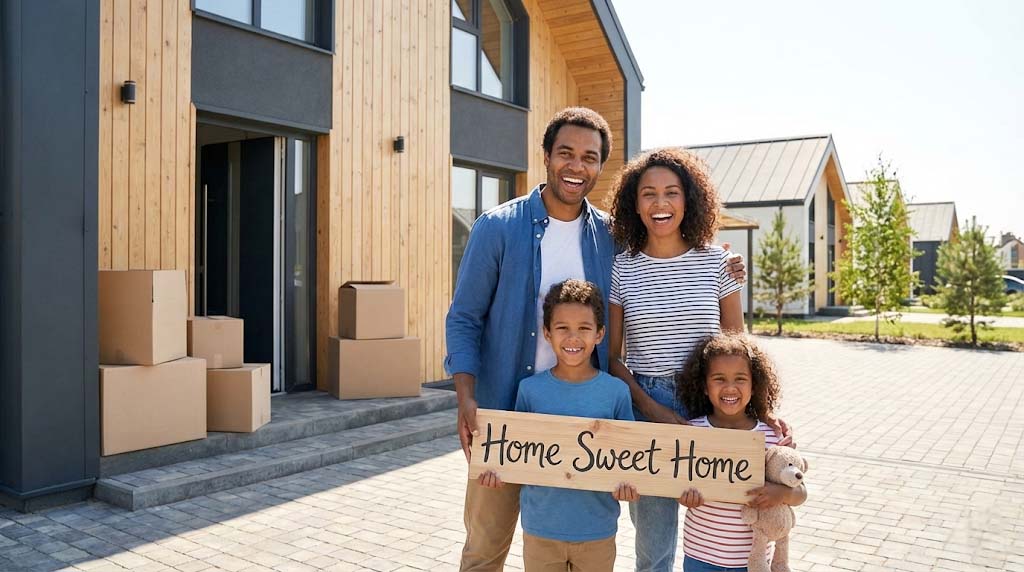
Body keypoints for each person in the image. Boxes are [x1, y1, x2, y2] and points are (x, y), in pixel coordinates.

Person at [446, 108, 744, 571]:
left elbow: (667, 263)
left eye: (589, 157)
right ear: (546, 156)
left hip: (592, 423)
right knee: (486, 549)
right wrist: (466, 396)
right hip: (508, 416)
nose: (576, 166)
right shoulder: (497, 228)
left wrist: (724, 262)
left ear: (600, 167)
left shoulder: (610, 236)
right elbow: (463, 318)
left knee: (578, 543)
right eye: (565, 153)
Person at [605, 147, 788, 572]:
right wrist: (651, 409)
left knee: (726, 533)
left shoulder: (718, 263)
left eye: (671, 192)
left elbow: (739, 349)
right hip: (647, 404)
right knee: (654, 548)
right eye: (648, 193)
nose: (660, 203)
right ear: (634, 203)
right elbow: (612, 358)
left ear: (689, 199)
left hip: (714, 408)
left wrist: (763, 412)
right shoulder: (622, 269)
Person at [477, 279, 639, 572]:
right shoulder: (529, 390)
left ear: (600, 334)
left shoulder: (616, 392)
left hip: (597, 529)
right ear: (547, 334)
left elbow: (630, 460)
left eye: (584, 328)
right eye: (563, 328)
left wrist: (629, 485)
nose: (573, 338)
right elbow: (515, 455)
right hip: (541, 529)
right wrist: (497, 472)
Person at [675, 332, 807, 572]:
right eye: (719, 379)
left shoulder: (772, 436)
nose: (730, 387)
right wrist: (683, 497)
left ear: (754, 385)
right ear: (704, 387)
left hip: (753, 561)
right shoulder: (692, 432)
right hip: (700, 556)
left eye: (740, 379)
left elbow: (800, 494)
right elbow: (676, 485)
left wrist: (781, 493)